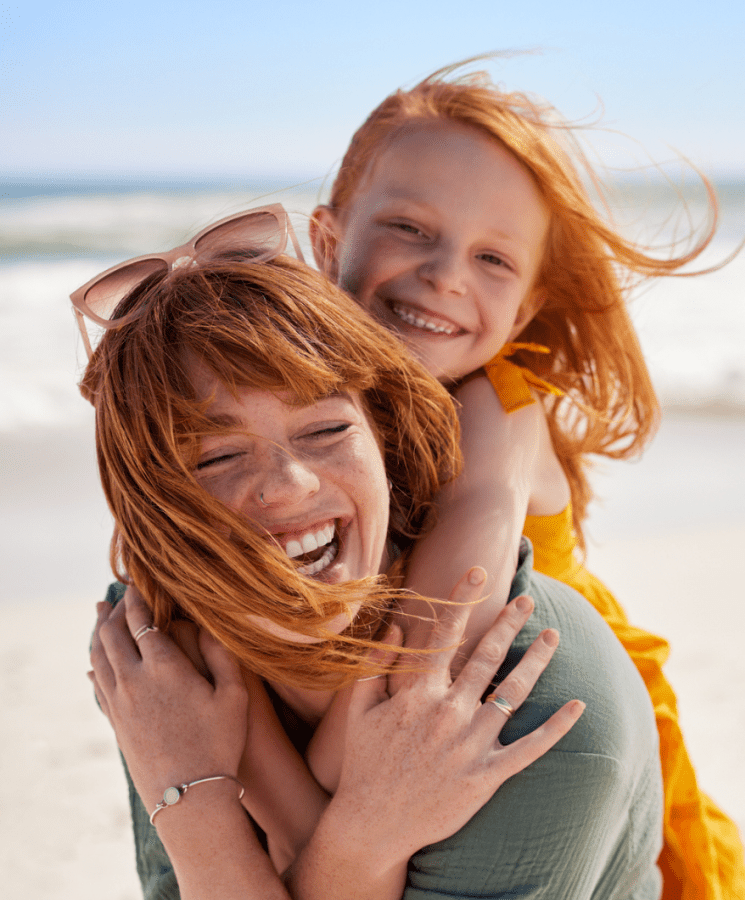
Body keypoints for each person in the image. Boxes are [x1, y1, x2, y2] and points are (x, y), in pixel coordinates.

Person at [75, 214, 662, 899]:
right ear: (152, 504)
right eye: (219, 456)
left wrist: (203, 807)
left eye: (326, 429)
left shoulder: (533, 702)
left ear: (383, 438)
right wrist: (347, 833)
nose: (289, 484)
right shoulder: (159, 676)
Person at [308, 63, 745, 900]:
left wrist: (319, 767)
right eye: (409, 226)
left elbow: (448, 622)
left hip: (580, 755)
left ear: (524, 309)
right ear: (329, 240)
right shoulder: (309, 405)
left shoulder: (500, 408)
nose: (445, 274)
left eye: (492, 258)